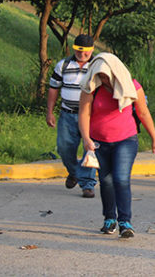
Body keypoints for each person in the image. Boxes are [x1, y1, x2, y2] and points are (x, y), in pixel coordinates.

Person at [77, 53, 155, 238]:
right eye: (100, 75)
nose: (103, 79)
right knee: (106, 181)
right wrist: (86, 138)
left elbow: (143, 113)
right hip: (99, 141)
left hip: (125, 139)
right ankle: (109, 219)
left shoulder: (131, 85)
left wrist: (154, 138)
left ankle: (125, 221)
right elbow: (84, 113)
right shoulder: (91, 87)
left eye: (106, 75)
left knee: (121, 179)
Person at [46, 34, 97, 198]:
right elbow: (53, 88)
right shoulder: (63, 65)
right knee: (64, 148)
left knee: (90, 149)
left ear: (92, 51)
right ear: (74, 49)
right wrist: (50, 112)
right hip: (67, 115)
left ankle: (87, 185)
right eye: (79, 52)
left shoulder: (97, 66)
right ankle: (75, 172)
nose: (82, 56)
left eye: (86, 53)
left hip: (91, 116)